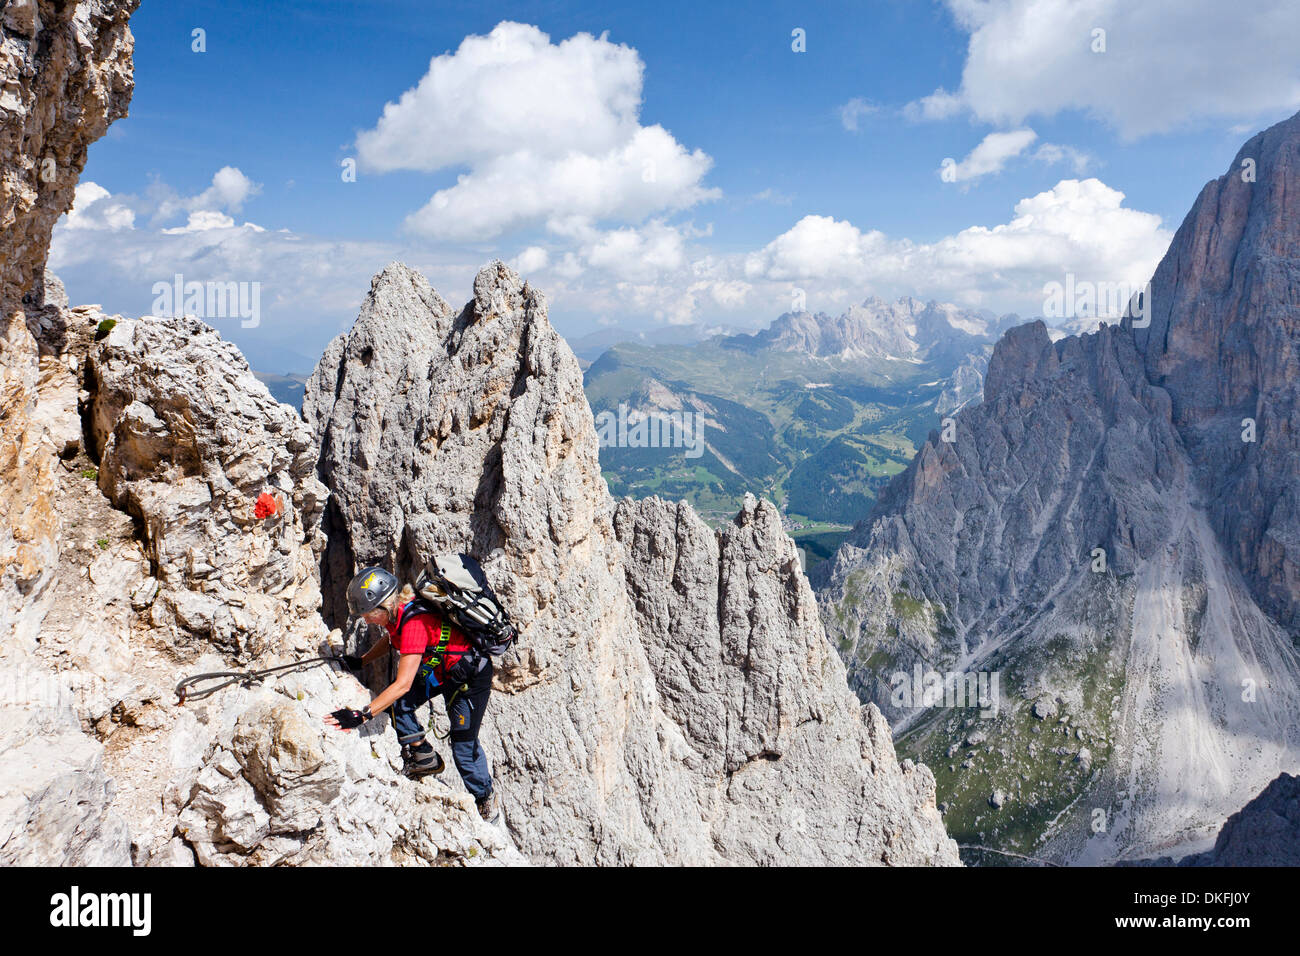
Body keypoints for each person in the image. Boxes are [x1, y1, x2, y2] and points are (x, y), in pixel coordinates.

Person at [324, 566, 499, 823]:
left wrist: (362, 716)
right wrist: (362, 661)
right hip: (441, 670)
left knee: (463, 747)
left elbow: (403, 684)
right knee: (398, 704)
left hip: (469, 677)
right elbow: (392, 641)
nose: (365, 621)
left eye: (367, 615)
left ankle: (485, 799)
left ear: (382, 607)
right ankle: (424, 756)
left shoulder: (414, 623)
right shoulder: (398, 615)